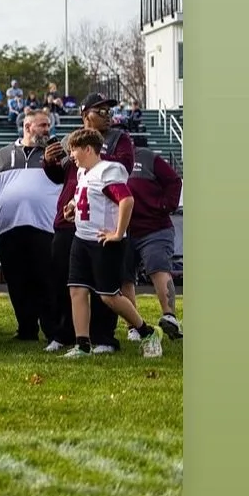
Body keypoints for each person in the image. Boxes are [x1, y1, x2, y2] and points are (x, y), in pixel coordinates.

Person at [43, 93, 133, 353]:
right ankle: (68, 333)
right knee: (69, 281)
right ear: (85, 115)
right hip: (70, 218)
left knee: (104, 285)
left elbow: (124, 168)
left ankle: (103, 336)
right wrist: (49, 161)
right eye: (100, 110)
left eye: (108, 110)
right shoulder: (72, 139)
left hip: (100, 220)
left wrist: (93, 156)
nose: (107, 115)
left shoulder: (119, 138)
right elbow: (59, 175)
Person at [60, 129, 161, 358]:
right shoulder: (85, 171)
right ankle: (83, 344)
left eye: (74, 149)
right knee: (76, 290)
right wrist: (73, 208)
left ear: (88, 149)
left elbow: (126, 199)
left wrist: (118, 233)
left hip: (103, 241)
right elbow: (85, 198)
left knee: (109, 296)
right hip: (81, 238)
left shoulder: (107, 170)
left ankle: (147, 332)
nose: (71, 154)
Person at [0, 109, 63, 345]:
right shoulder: (2, 155)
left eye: (48, 125)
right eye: (42, 125)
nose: (47, 130)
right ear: (27, 126)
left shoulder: (55, 155)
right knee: (16, 280)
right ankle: (26, 328)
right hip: (11, 227)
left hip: (45, 227)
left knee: (47, 280)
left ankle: (52, 328)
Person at [123, 145, 183, 340]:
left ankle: (169, 316)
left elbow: (174, 180)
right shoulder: (106, 160)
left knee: (158, 266)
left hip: (155, 226)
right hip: (122, 228)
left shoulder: (147, 157)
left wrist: (165, 205)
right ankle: (133, 325)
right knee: (124, 275)